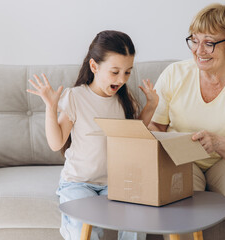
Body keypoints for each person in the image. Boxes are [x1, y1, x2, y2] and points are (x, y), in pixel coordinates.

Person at [149, 4, 225, 240]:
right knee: (174, 187)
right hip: (182, 161)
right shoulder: (174, 74)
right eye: (194, 40)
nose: (199, 50)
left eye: (209, 42)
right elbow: (156, 129)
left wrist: (217, 142)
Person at [27, 30, 157, 240]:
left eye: (127, 72)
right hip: (78, 183)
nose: (122, 79)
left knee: (136, 220)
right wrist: (51, 107)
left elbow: (133, 137)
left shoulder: (124, 101)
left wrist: (151, 106)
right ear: (94, 66)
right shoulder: (75, 97)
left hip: (114, 183)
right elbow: (56, 142)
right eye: (115, 72)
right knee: (82, 230)